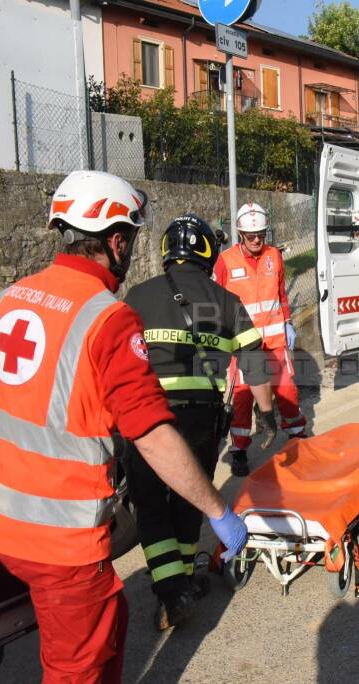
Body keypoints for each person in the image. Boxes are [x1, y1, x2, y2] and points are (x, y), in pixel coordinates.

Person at [0, 170, 247, 682]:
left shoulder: (6, 301)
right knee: (78, 668)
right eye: (130, 238)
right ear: (116, 240)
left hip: (0, 527)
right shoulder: (106, 319)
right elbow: (152, 434)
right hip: (61, 542)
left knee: (111, 624)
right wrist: (219, 510)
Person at [123, 214, 274, 630]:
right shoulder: (226, 300)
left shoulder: (137, 295)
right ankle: (182, 583)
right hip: (201, 418)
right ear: (207, 251)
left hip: (145, 415)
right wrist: (267, 415)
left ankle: (172, 591)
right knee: (194, 497)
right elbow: (255, 363)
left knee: (151, 503)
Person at [214, 203, 305, 477]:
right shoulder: (225, 261)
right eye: (251, 236)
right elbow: (217, 302)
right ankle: (239, 449)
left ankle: (297, 435)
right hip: (242, 345)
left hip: (275, 340)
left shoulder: (274, 256)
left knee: (287, 391)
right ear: (240, 234)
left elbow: (281, 294)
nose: (257, 240)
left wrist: (287, 321)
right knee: (241, 398)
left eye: (262, 235)